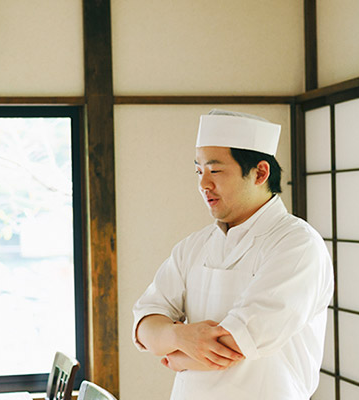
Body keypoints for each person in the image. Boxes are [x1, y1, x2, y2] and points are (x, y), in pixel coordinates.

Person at [132, 109, 334, 399]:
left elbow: (239, 341)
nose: (203, 184)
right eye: (199, 171)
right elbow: (144, 323)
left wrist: (175, 353)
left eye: (215, 171)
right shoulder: (194, 245)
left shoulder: (297, 244)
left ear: (260, 173)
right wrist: (179, 337)